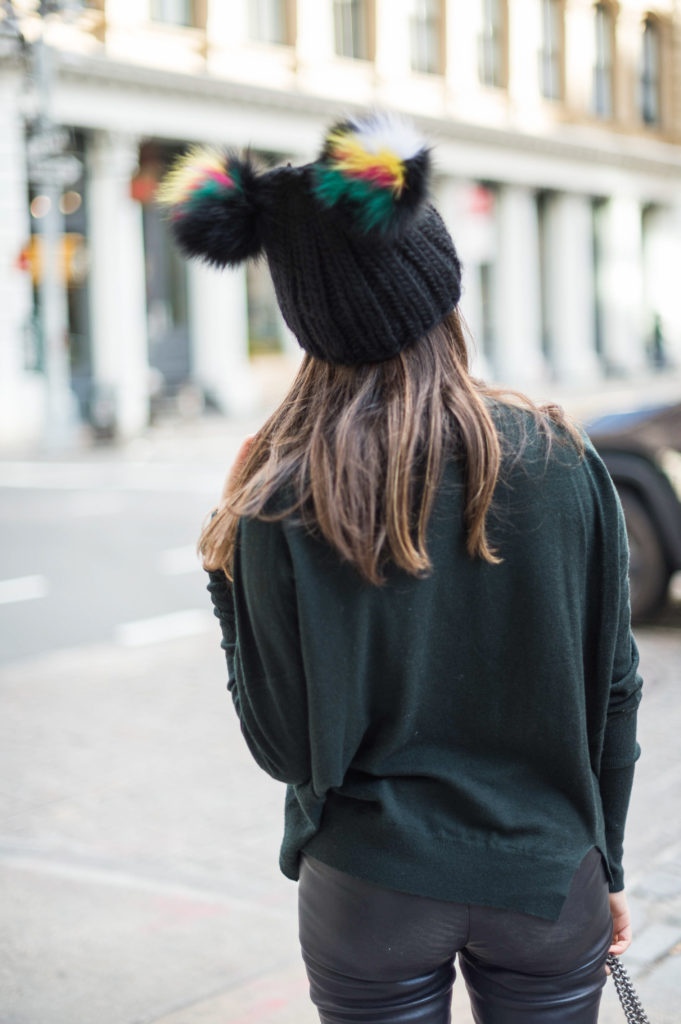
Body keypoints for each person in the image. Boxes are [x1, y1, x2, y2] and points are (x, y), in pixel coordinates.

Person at [159, 113, 642, 1024]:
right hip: (547, 878)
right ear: (438, 287)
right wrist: (605, 863)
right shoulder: (559, 457)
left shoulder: (279, 498)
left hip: (370, 888)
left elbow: (286, 750)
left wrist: (227, 571)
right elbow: (613, 692)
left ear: (309, 320)